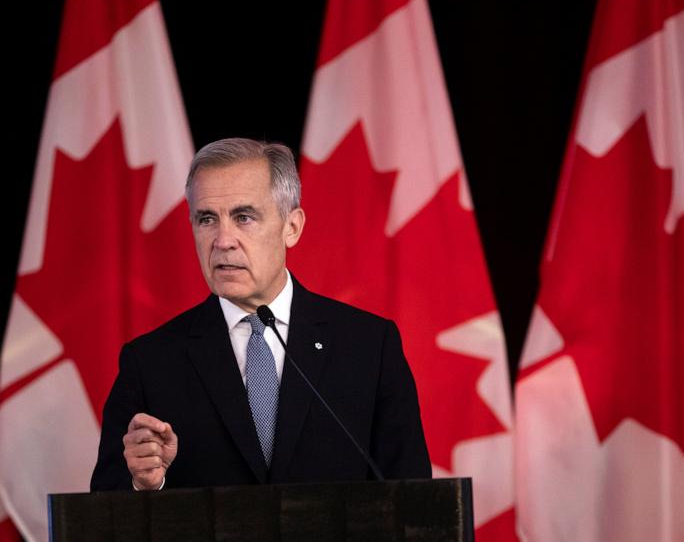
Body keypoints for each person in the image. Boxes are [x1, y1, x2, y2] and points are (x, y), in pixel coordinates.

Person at [90, 138, 431, 491]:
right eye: (207, 219)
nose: (223, 240)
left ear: (292, 227)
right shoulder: (150, 363)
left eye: (244, 217)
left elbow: (415, 502)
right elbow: (103, 515)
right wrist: (145, 486)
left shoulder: (369, 347)